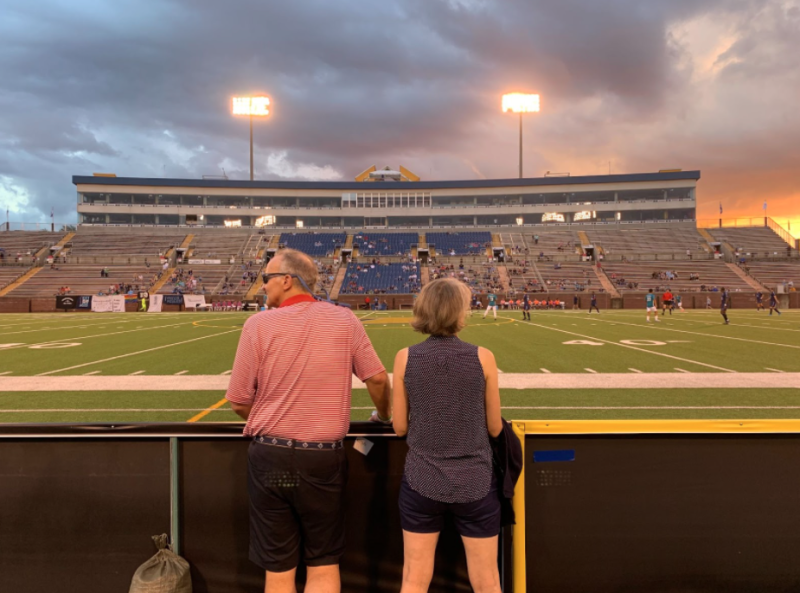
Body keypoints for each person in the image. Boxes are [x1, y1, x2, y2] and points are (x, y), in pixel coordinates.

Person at [225, 248, 391, 593]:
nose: (263, 286)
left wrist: (275, 415)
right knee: (323, 562)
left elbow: (238, 399)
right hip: (321, 459)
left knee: (279, 569)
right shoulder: (344, 320)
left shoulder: (257, 324)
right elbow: (377, 379)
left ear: (287, 280)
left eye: (267, 278)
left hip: (270, 456)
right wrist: (384, 416)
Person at [392, 278, 503, 593]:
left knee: (414, 579)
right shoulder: (483, 357)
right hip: (476, 481)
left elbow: (400, 426)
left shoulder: (405, 357)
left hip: (421, 480)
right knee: (487, 581)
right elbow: (495, 427)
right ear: (460, 312)